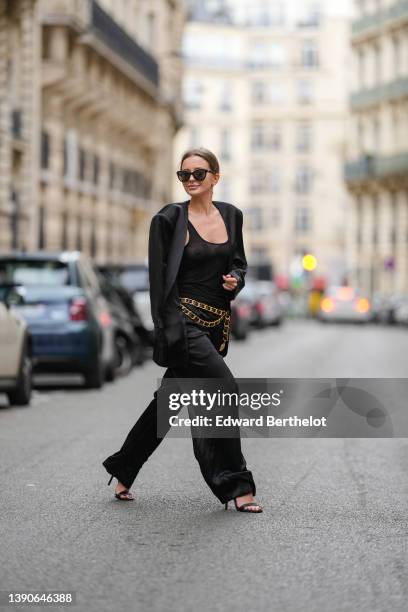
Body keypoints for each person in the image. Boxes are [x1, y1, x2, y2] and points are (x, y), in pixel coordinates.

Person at [102, 147, 263, 513]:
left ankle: (124, 468)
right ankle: (236, 485)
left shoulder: (232, 216)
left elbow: (239, 263)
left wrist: (234, 280)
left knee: (170, 403)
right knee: (223, 388)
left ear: (215, 177)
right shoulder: (168, 220)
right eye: (184, 175)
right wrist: (168, 330)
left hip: (214, 326)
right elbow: (160, 284)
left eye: (199, 174)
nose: (191, 180)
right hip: (182, 322)